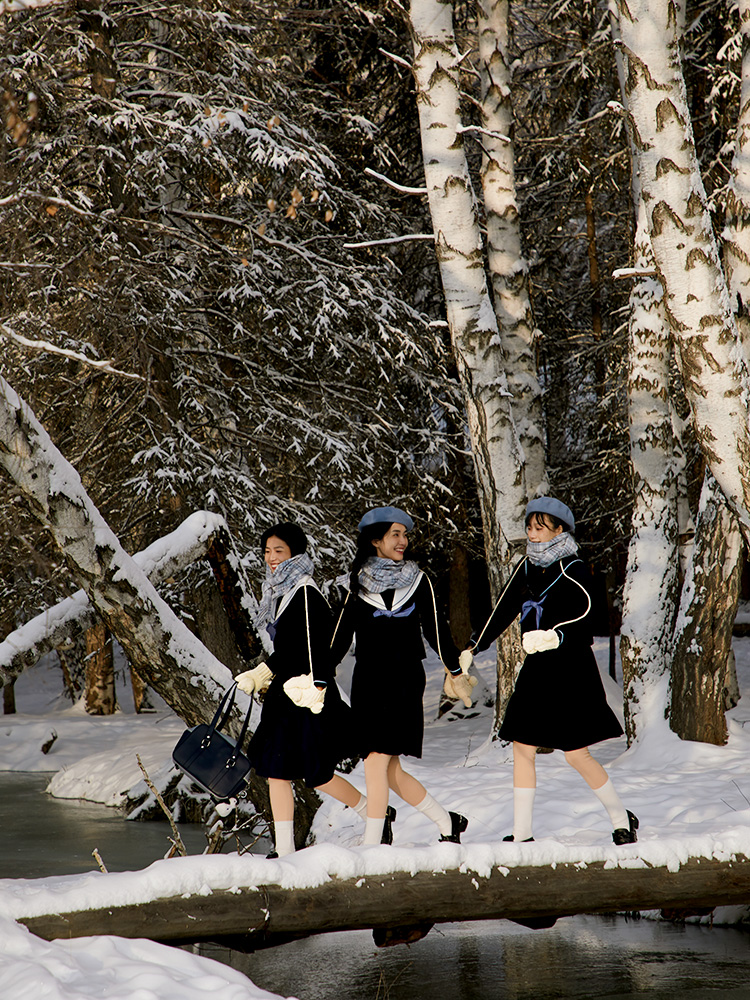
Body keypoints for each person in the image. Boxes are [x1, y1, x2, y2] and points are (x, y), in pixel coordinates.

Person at [460, 497, 638, 845]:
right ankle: (523, 834)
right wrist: (473, 646)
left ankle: (621, 818)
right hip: (537, 669)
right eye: (529, 526)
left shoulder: (575, 567)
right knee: (522, 747)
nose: (533, 533)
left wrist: (557, 635)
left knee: (576, 754)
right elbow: (503, 609)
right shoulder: (526, 567)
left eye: (540, 527)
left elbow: (588, 612)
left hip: (571, 668)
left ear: (560, 529)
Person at [330, 505, 473, 846]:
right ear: (376, 540)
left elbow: (437, 629)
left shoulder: (418, 579)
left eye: (405, 534)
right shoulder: (357, 583)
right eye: (396, 534)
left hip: (404, 680)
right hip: (368, 681)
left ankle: (373, 842)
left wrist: (455, 670)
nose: (404, 541)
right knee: (389, 770)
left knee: (376, 760)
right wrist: (317, 675)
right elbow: (339, 637)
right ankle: (447, 821)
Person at [236, 522, 366, 858]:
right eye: (267, 551)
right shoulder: (281, 590)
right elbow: (290, 648)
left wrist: (318, 685)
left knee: (316, 774)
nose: (271, 558)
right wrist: (265, 674)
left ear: (294, 552)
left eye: (278, 551)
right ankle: (284, 850)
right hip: (286, 693)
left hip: (308, 694)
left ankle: (372, 811)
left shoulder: (305, 590)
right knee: (275, 771)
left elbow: (313, 647)